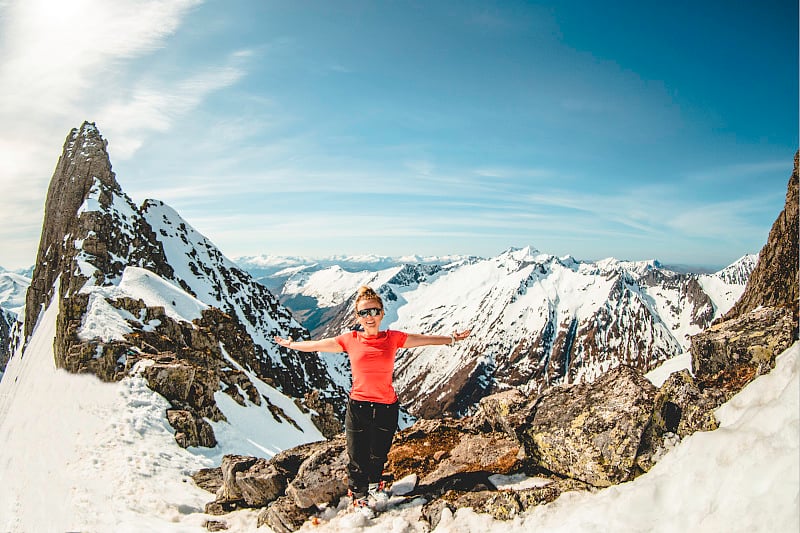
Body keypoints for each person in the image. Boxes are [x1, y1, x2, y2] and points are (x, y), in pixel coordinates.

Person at [274, 285, 470, 514]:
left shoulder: (393, 338)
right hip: (358, 406)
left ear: (382, 313)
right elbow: (317, 345)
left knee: (379, 453)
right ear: (357, 316)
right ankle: (358, 497)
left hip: (387, 406)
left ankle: (375, 486)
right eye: (364, 313)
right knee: (357, 456)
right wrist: (292, 345)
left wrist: (451, 339)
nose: (370, 317)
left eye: (374, 311)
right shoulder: (350, 340)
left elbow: (423, 339)